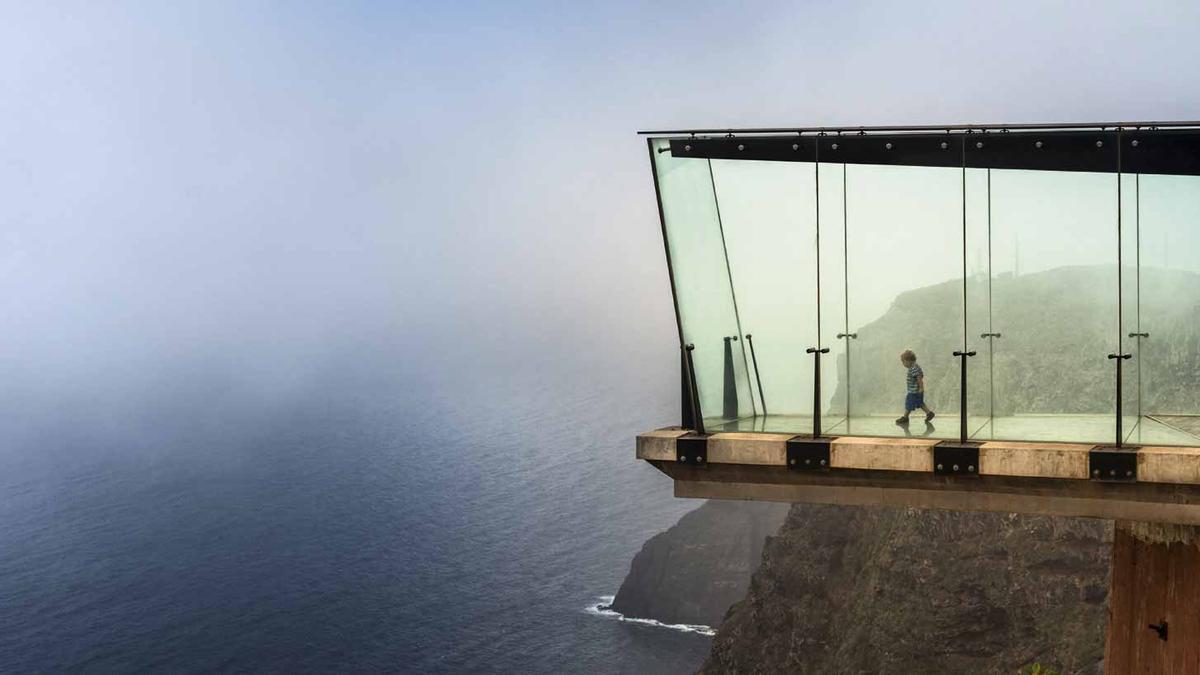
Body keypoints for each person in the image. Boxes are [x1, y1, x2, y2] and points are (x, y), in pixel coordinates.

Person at [896, 349, 934, 426]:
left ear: (909, 360)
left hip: (914, 391)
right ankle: (929, 413)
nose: (903, 364)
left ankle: (905, 417)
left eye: (903, 362)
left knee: (909, 403)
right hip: (915, 390)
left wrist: (921, 388)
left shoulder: (914, 368)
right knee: (920, 403)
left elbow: (919, 378)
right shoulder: (914, 367)